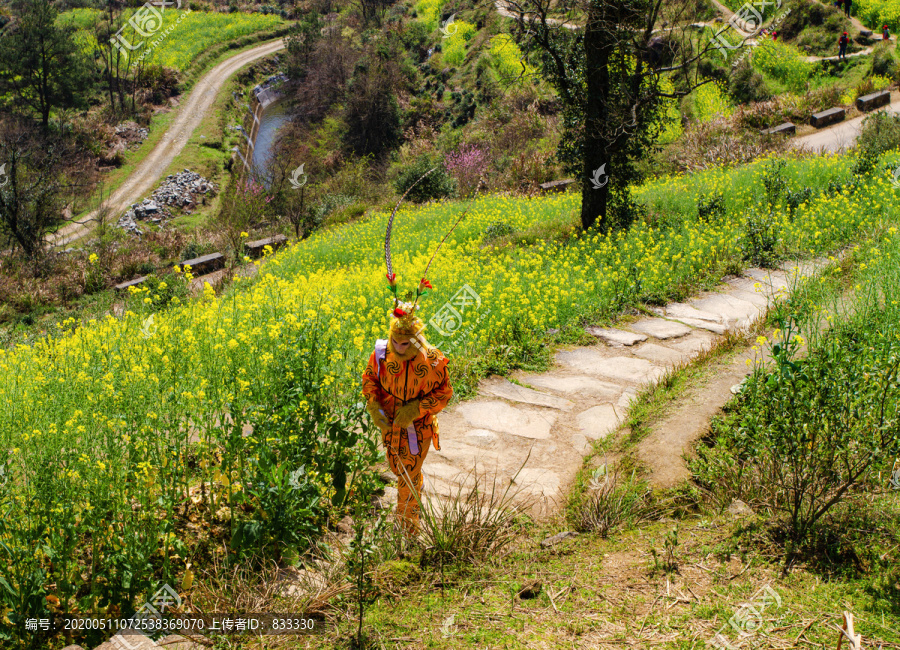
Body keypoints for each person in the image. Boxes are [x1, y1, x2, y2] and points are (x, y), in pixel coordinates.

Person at [362, 193, 457, 537]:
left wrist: (417, 407)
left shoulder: (431, 359)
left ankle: (408, 528)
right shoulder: (381, 353)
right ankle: (405, 519)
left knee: (409, 474)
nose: (400, 348)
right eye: (396, 341)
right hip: (389, 427)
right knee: (398, 471)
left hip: (416, 429)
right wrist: (374, 406)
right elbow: (369, 379)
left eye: (407, 342)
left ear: (416, 338)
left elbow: (445, 392)